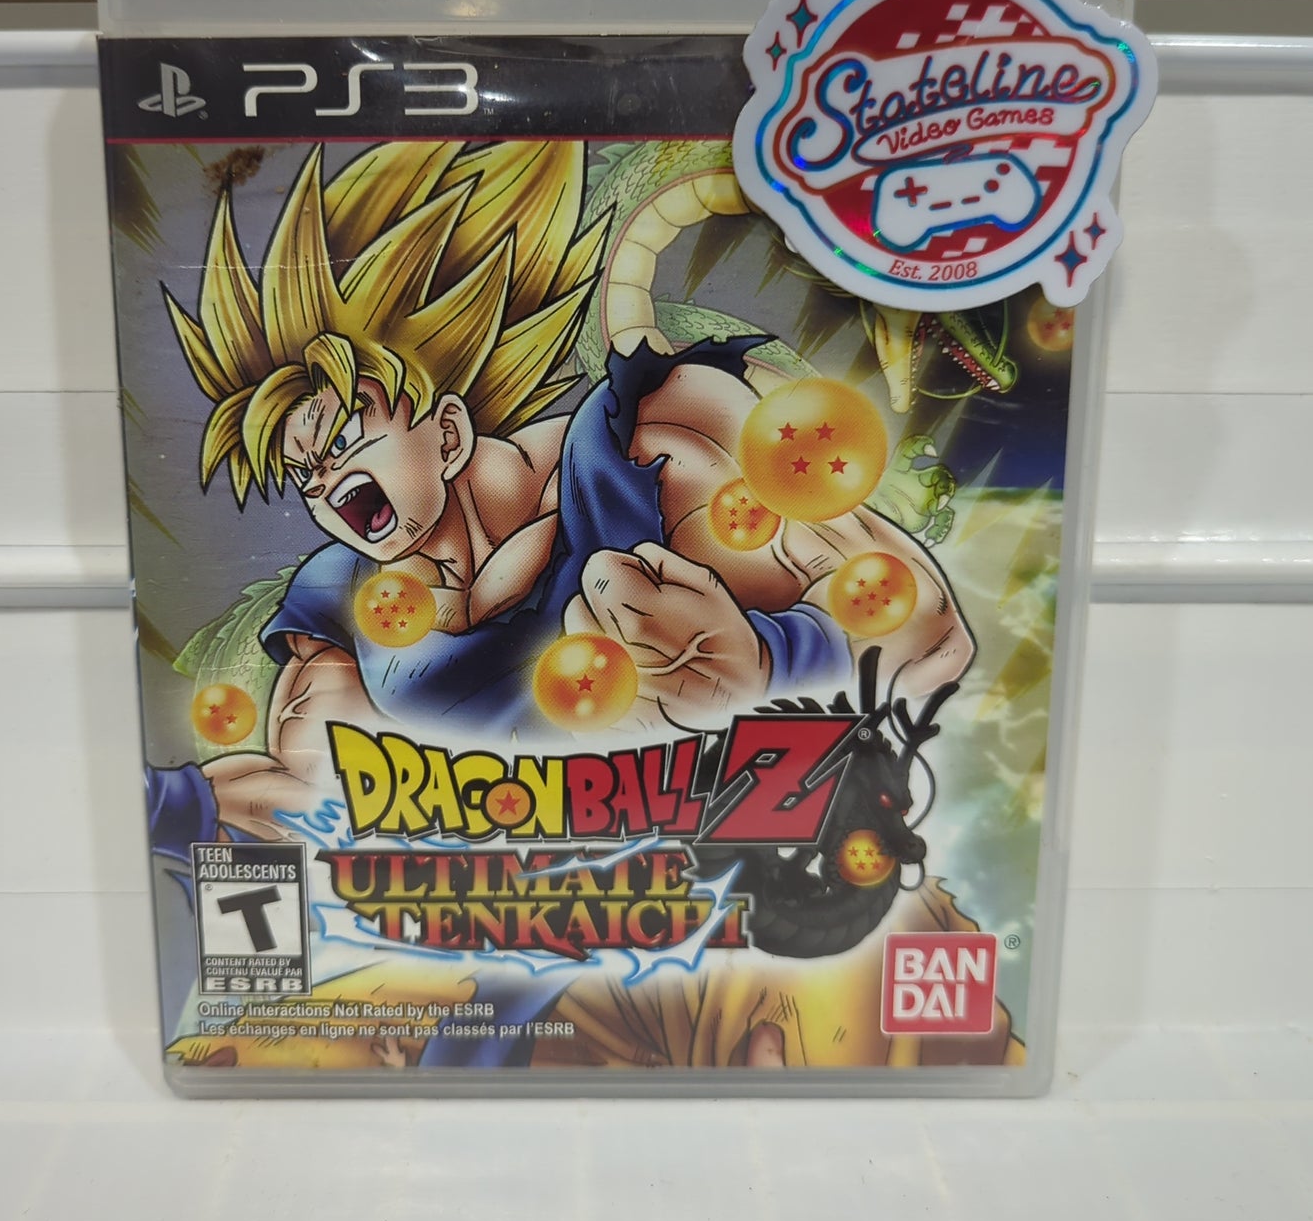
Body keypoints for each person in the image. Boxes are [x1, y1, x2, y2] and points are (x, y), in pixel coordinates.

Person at [158, 139, 974, 843]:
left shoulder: (652, 447)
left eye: (343, 442)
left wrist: (770, 662)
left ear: (447, 431)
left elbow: (930, 634)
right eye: (305, 473)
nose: (327, 486)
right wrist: (176, 807)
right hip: (516, 926)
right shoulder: (340, 601)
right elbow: (312, 795)